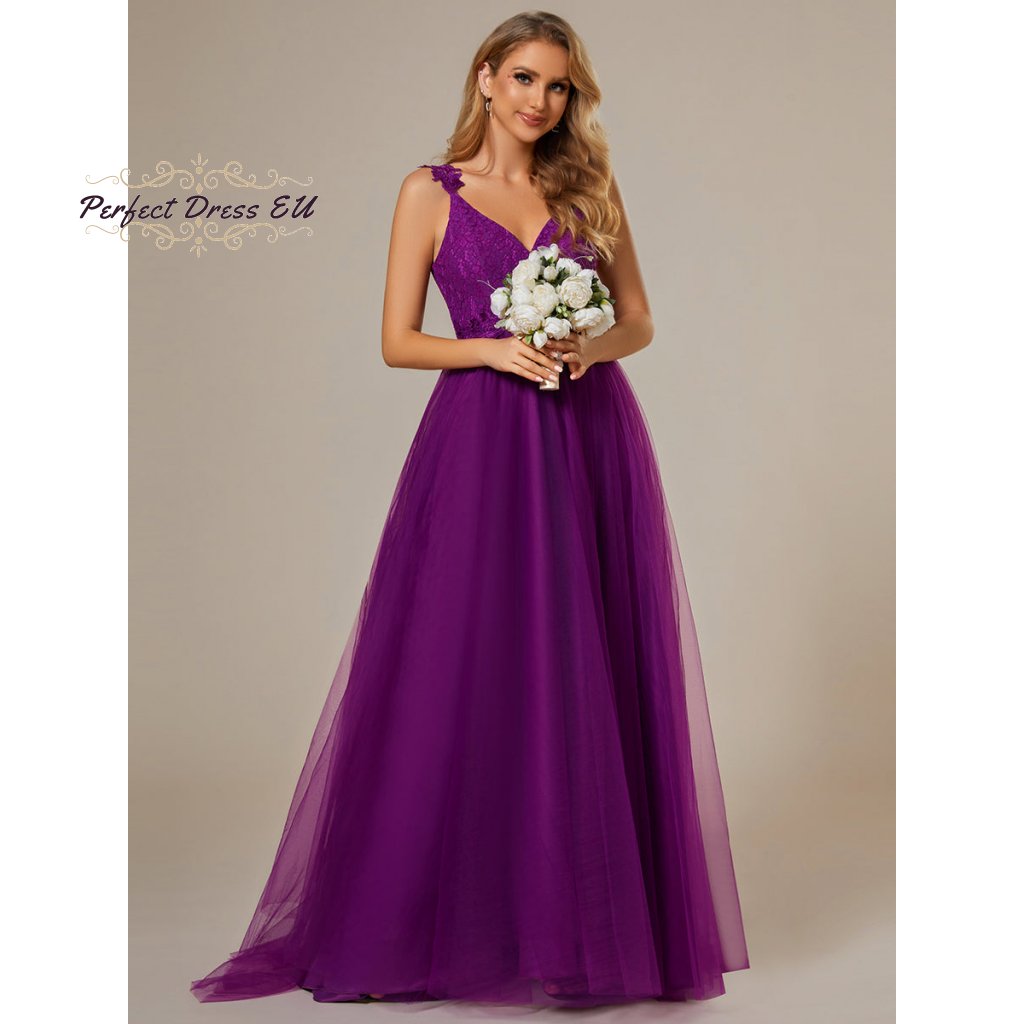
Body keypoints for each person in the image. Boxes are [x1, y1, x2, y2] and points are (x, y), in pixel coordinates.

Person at [190, 9, 750, 1008]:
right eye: (526, 78)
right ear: (486, 77)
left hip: (587, 438)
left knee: (584, 662)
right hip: (484, 444)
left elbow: (638, 319)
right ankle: (425, 927)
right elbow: (397, 340)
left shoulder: (588, 188)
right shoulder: (428, 191)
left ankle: (581, 931)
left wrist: (583, 348)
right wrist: (494, 347)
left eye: (560, 86)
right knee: (466, 660)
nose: (542, 101)